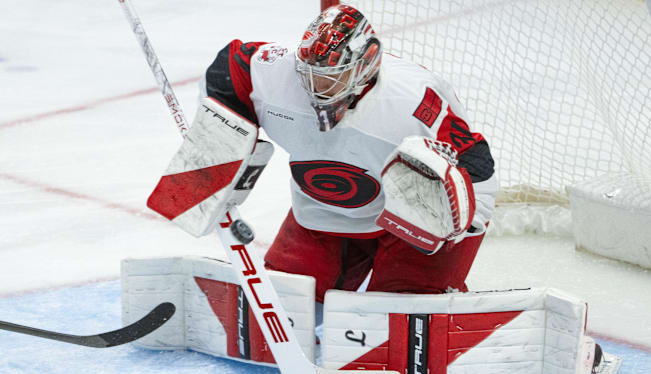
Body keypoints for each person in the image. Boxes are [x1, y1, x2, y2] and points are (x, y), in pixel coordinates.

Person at [199, 4, 497, 303]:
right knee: (286, 300)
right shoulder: (281, 74)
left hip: (414, 220)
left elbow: (476, 161)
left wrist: (459, 229)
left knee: (401, 315)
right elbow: (230, 65)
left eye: (330, 76)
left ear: (363, 67)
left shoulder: (411, 102)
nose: (314, 87)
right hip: (323, 211)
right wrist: (223, 134)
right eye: (310, 74)